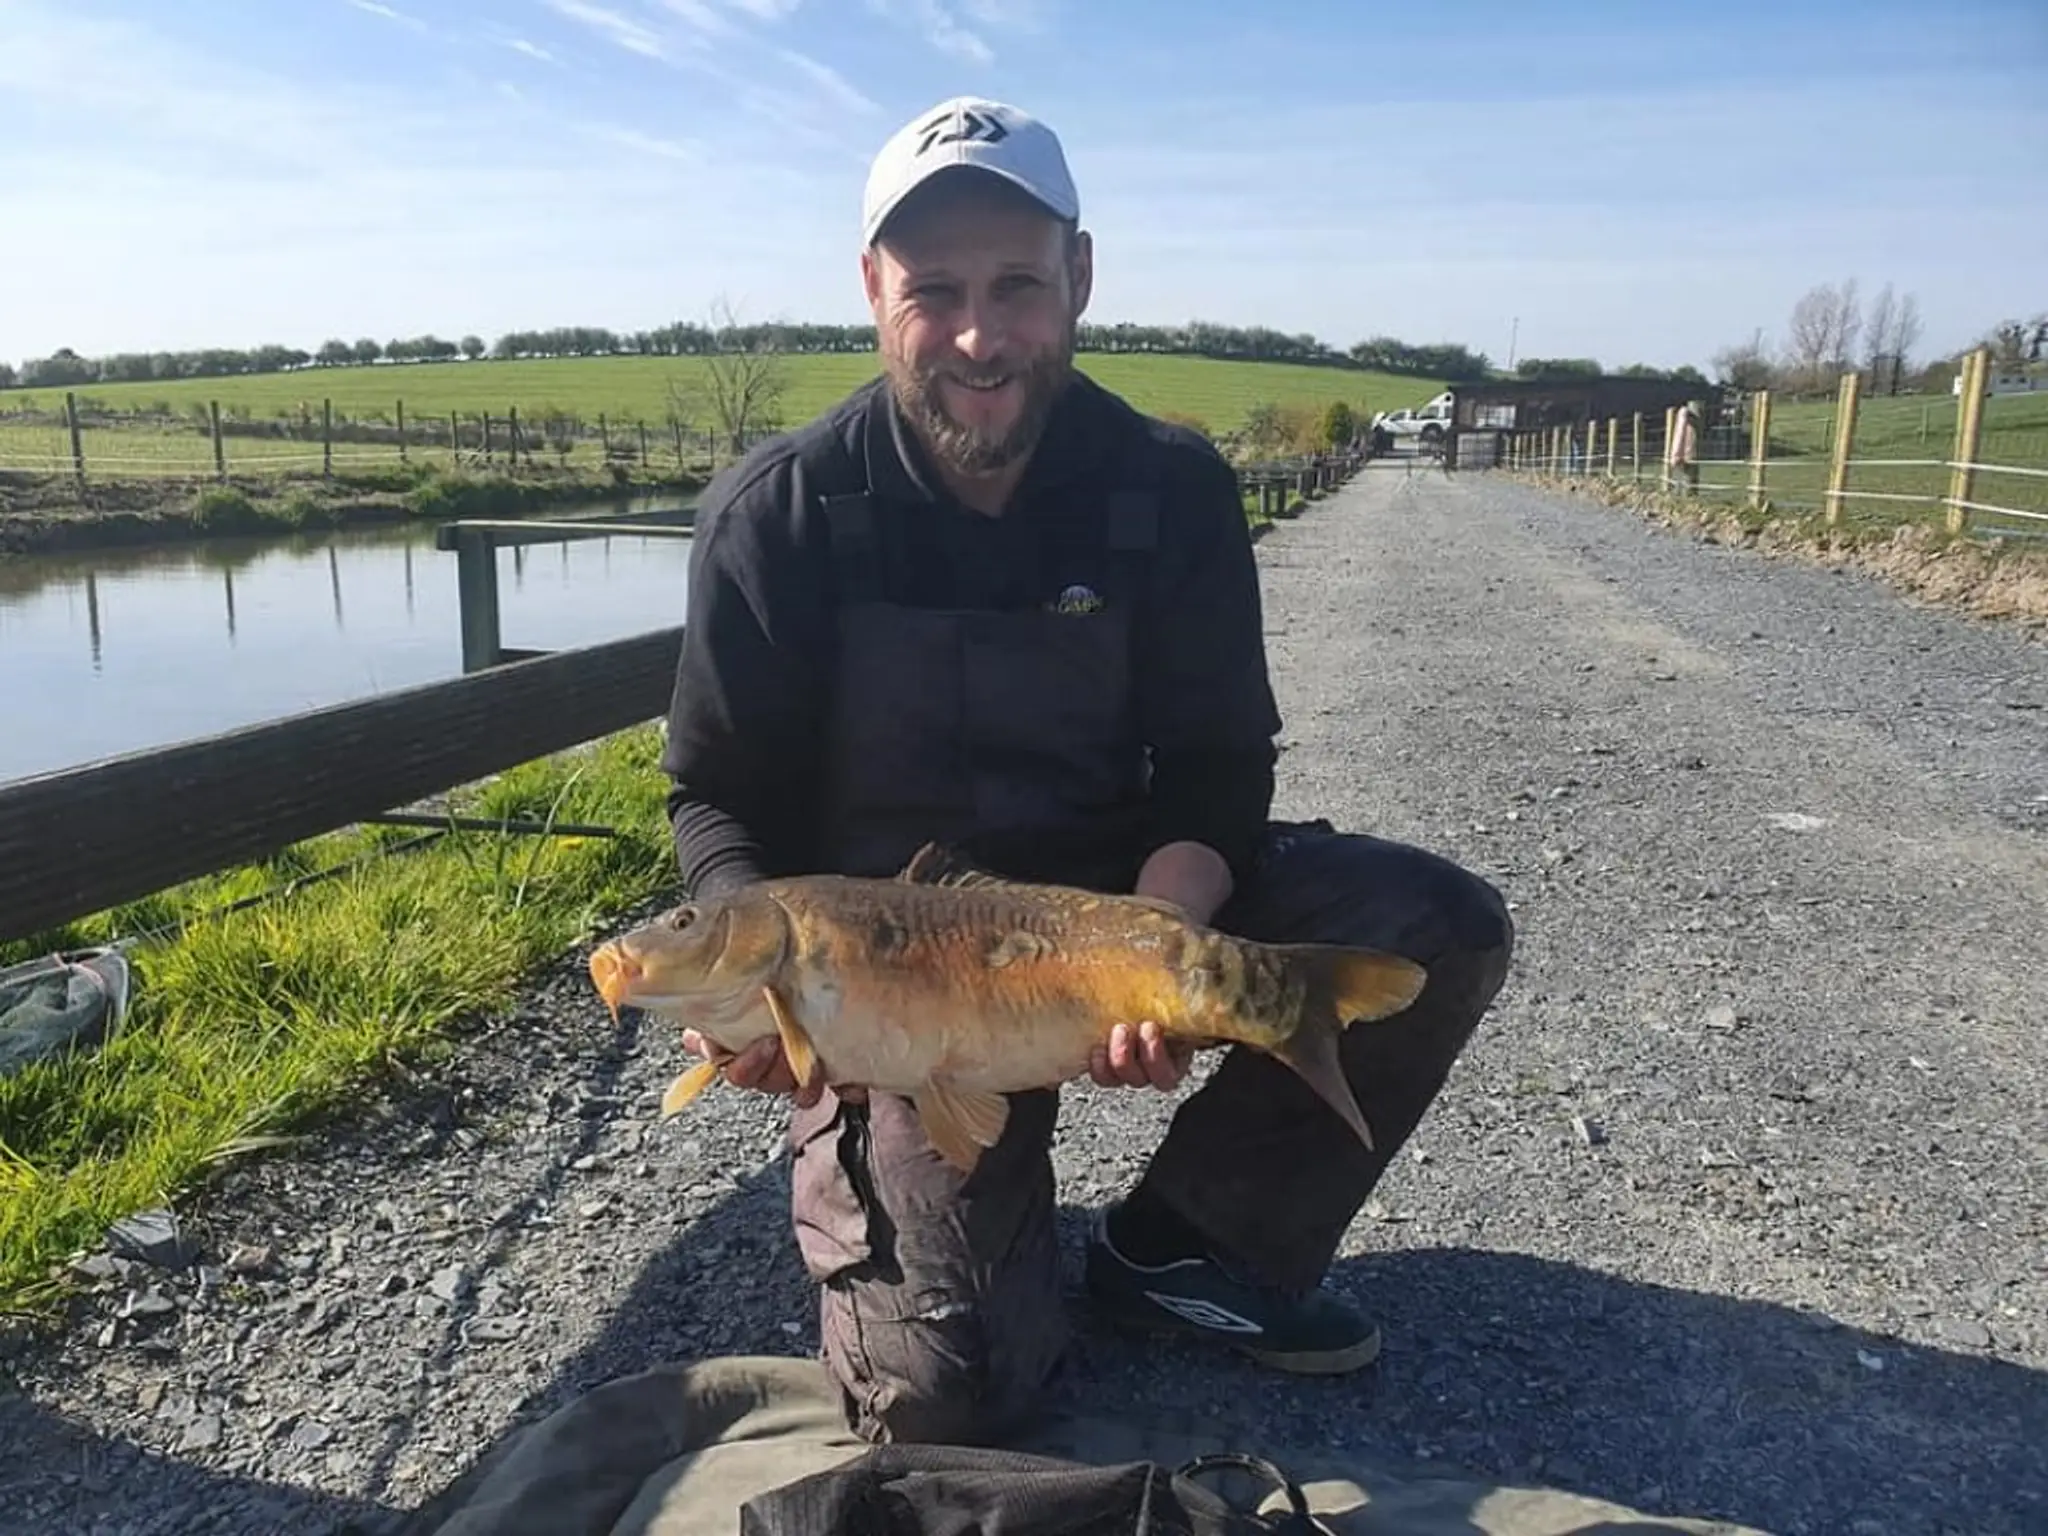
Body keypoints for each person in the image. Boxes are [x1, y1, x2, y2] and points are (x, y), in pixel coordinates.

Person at [656, 95, 1515, 1448]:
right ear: (874, 289)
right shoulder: (782, 516)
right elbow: (713, 796)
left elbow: (1220, 764)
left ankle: (1193, 1246)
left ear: (1081, 279)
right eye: (936, 292)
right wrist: (764, 998)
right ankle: (953, 1234)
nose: (980, 337)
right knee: (951, 1401)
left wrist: (1162, 941)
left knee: (1436, 924)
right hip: (901, 974)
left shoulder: (1167, 487)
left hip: (1122, 910)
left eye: (1018, 285)